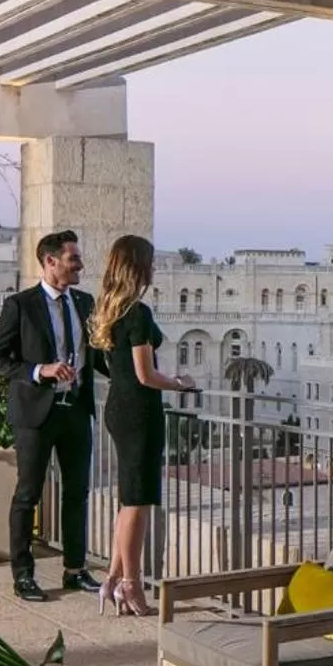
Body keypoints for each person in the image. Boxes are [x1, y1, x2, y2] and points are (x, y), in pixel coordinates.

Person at [0, 230, 106, 602]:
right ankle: (23, 575)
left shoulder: (86, 303)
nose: (80, 265)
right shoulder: (20, 305)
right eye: (74, 259)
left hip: (76, 412)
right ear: (50, 261)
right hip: (35, 414)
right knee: (28, 495)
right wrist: (41, 371)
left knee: (77, 494)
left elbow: (99, 357)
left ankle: (75, 570)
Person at [88, 235, 197, 616]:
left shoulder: (107, 310)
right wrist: (180, 383)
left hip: (119, 408)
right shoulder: (137, 313)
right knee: (138, 501)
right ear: (138, 266)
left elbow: (106, 366)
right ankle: (131, 585)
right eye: (149, 261)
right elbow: (146, 375)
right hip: (139, 412)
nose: (153, 268)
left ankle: (114, 579)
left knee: (129, 499)